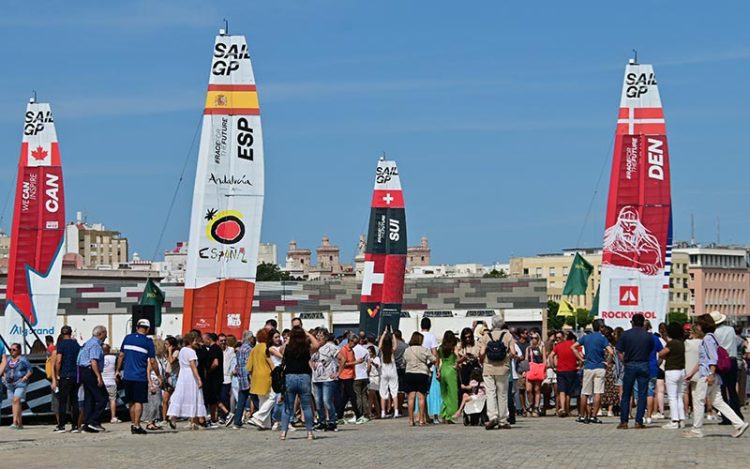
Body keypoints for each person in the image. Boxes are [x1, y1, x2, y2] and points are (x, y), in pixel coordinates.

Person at [685, 314, 748, 439]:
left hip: (707, 374)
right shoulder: (713, 337)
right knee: (718, 401)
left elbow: (712, 358)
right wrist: (692, 373)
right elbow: (704, 359)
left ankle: (697, 429)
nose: (696, 327)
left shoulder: (708, 339)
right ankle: (739, 423)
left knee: (698, 400)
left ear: (703, 326)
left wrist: (711, 374)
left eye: (698, 324)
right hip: (712, 374)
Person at [116, 319, 159, 435]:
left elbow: (121, 355)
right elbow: (153, 361)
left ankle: (132, 424)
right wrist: (158, 374)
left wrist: (118, 370)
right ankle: (137, 425)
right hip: (140, 376)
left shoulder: (127, 338)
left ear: (136, 327)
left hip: (128, 375)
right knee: (139, 401)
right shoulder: (148, 342)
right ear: (148, 329)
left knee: (130, 401)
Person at [280, 326, 321, 440]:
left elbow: (280, 350)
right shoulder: (306, 347)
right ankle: (309, 433)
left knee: (288, 407)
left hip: (290, 377)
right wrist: (308, 334)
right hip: (304, 377)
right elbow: (317, 345)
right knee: (307, 406)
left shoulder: (288, 348)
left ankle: (283, 432)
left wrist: (288, 340)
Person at [616, 314, 654, 429]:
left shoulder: (625, 334)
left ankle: (624, 422)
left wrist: (624, 362)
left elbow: (619, 351)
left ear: (632, 322)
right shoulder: (648, 336)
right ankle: (638, 421)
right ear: (643, 323)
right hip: (643, 364)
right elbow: (650, 350)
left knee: (626, 394)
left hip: (630, 364)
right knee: (642, 394)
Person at [479, 314, 515, 430]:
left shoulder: (486, 336)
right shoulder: (508, 335)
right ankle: (503, 420)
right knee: (502, 394)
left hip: (488, 367)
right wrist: (507, 358)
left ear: (492, 324)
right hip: (503, 368)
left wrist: (483, 361)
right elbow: (513, 353)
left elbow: (481, 353)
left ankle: (492, 416)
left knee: (490, 393)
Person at [167, 333, 208, 429]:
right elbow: (193, 366)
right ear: (190, 341)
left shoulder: (182, 351)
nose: (197, 343)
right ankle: (193, 420)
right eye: (195, 341)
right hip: (190, 376)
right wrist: (198, 379)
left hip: (183, 375)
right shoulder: (191, 352)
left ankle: (174, 415)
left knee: (181, 394)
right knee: (194, 396)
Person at [573, 319, 611, 424]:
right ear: (600, 327)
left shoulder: (585, 338)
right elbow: (611, 352)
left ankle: (581, 415)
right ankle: (594, 416)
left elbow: (573, 347)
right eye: (603, 327)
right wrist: (607, 362)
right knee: (598, 392)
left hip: (588, 367)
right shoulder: (603, 339)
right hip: (600, 367)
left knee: (585, 392)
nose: (604, 328)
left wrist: (581, 359)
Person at [712, 310, 745, 424]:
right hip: (732, 359)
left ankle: (727, 417)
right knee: (732, 390)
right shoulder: (730, 329)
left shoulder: (714, 332)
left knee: (722, 389)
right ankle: (737, 414)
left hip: (720, 361)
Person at [78, 325, 109, 433]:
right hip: (90, 371)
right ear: (100, 334)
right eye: (105, 333)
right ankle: (93, 420)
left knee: (89, 398)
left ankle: (87, 424)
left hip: (84, 371)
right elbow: (93, 361)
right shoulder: (95, 345)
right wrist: (98, 376)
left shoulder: (88, 343)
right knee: (103, 397)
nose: (106, 336)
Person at [54, 325, 82, 432]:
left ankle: (61, 425)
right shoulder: (76, 344)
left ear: (62, 334)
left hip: (65, 375)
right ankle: (75, 425)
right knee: (74, 401)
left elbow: (59, 360)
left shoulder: (61, 345)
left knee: (63, 401)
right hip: (75, 374)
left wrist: (57, 374)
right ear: (70, 333)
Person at [403, 332, 435, 426]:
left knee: (411, 397)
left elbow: (404, 361)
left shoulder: (407, 350)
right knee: (421, 397)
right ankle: (421, 419)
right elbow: (434, 359)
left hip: (409, 373)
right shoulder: (424, 350)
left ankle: (411, 420)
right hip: (422, 373)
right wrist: (428, 365)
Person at [658, 322, 686, 429]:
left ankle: (674, 420)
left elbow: (661, 353)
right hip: (681, 370)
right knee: (679, 396)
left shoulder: (672, 343)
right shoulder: (682, 342)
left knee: (672, 397)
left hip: (671, 371)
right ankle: (681, 419)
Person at [247, 329, 276, 430]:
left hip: (256, 377)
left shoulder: (254, 349)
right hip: (266, 376)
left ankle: (264, 423)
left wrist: (251, 378)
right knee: (272, 397)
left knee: (262, 400)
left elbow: (249, 367)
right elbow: (271, 364)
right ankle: (257, 416)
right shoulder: (266, 348)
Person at [312, 330, 339, 431]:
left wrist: (337, 373)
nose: (318, 337)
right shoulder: (314, 347)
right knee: (318, 402)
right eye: (317, 336)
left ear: (326, 338)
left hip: (328, 378)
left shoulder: (330, 347)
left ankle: (332, 421)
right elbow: (310, 359)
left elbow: (342, 358)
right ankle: (321, 422)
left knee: (327, 400)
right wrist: (312, 366)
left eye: (321, 336)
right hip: (317, 378)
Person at [2, 343, 33, 429]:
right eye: (10, 349)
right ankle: (20, 423)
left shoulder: (23, 360)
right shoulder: (8, 360)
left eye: (14, 349)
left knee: (16, 399)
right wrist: (4, 376)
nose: (12, 351)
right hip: (9, 384)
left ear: (19, 350)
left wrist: (25, 377)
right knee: (15, 402)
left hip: (20, 383)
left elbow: (30, 370)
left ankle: (14, 422)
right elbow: (4, 369)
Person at [549, 331, 578, 417]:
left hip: (560, 370)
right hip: (572, 370)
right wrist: (580, 364)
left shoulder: (558, 346)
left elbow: (551, 356)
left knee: (562, 390)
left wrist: (553, 366)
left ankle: (563, 408)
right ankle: (567, 410)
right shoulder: (574, 345)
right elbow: (580, 355)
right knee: (568, 392)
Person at [337, 334, 362, 424]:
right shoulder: (344, 350)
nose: (355, 345)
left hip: (350, 375)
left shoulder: (351, 350)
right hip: (345, 376)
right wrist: (356, 362)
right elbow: (343, 364)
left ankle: (339, 416)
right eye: (354, 343)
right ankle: (358, 415)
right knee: (353, 396)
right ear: (350, 341)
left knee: (345, 398)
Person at [232, 330, 254, 428]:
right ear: (250, 338)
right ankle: (261, 417)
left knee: (241, 400)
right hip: (248, 377)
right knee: (255, 398)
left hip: (241, 378)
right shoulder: (249, 349)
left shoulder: (240, 349)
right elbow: (248, 364)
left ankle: (237, 421)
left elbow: (239, 364)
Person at [437, 330, 459, 423]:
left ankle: (444, 413)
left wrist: (438, 371)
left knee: (444, 394)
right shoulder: (453, 347)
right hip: (451, 370)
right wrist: (457, 364)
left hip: (443, 369)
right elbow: (458, 356)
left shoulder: (441, 348)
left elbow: (438, 360)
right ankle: (450, 416)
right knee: (453, 394)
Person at [378, 330, 399, 418]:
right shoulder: (392, 351)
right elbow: (395, 345)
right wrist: (393, 334)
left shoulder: (382, 351)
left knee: (383, 393)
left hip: (383, 373)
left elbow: (379, 345)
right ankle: (396, 411)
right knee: (394, 392)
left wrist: (383, 334)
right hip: (393, 372)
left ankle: (383, 412)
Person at [524, 332, 546, 417]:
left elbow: (544, 359)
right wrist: (524, 371)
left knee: (537, 389)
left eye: (535, 338)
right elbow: (526, 360)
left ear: (538, 339)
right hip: (530, 369)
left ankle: (536, 407)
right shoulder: (528, 348)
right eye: (532, 338)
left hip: (539, 369)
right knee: (529, 389)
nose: (533, 339)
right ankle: (530, 404)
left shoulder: (541, 347)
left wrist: (545, 370)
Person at [101, 344, 120, 424]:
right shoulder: (113, 358)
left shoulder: (99, 358)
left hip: (102, 381)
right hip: (111, 381)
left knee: (100, 400)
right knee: (112, 399)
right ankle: (113, 417)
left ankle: (99, 417)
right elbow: (117, 367)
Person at [219, 333, 236, 425]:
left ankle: (224, 416)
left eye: (224, 340)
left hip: (227, 377)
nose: (223, 342)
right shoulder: (217, 350)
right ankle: (223, 415)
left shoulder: (231, 350)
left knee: (225, 397)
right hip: (219, 377)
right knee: (220, 397)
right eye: (221, 340)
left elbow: (233, 361)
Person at [394, 330, 408, 415]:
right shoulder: (405, 346)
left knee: (394, 389)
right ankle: (400, 406)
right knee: (402, 389)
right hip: (403, 368)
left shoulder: (392, 346)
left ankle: (394, 407)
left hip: (393, 368)